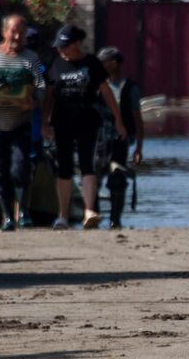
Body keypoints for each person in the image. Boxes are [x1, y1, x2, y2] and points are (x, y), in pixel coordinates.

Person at [42, 25, 126, 229]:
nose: (61, 50)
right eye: (59, 46)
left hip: (87, 120)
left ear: (77, 44)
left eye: (65, 46)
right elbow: (49, 95)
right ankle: (62, 215)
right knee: (64, 167)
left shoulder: (91, 63)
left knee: (87, 163)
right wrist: (45, 122)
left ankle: (89, 211)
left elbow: (106, 92)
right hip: (62, 121)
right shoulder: (56, 64)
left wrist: (118, 119)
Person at [0, 14, 43, 231]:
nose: (17, 36)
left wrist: (31, 102)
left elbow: (41, 87)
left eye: (21, 32)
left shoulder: (31, 58)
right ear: (4, 32)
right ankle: (7, 216)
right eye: (13, 31)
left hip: (20, 124)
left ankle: (23, 211)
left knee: (20, 169)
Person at [94, 46, 144, 229]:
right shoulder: (96, 85)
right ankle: (94, 217)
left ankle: (115, 220)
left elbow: (138, 120)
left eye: (103, 62)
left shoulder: (129, 88)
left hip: (120, 142)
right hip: (97, 142)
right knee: (93, 179)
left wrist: (139, 148)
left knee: (117, 179)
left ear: (114, 63)